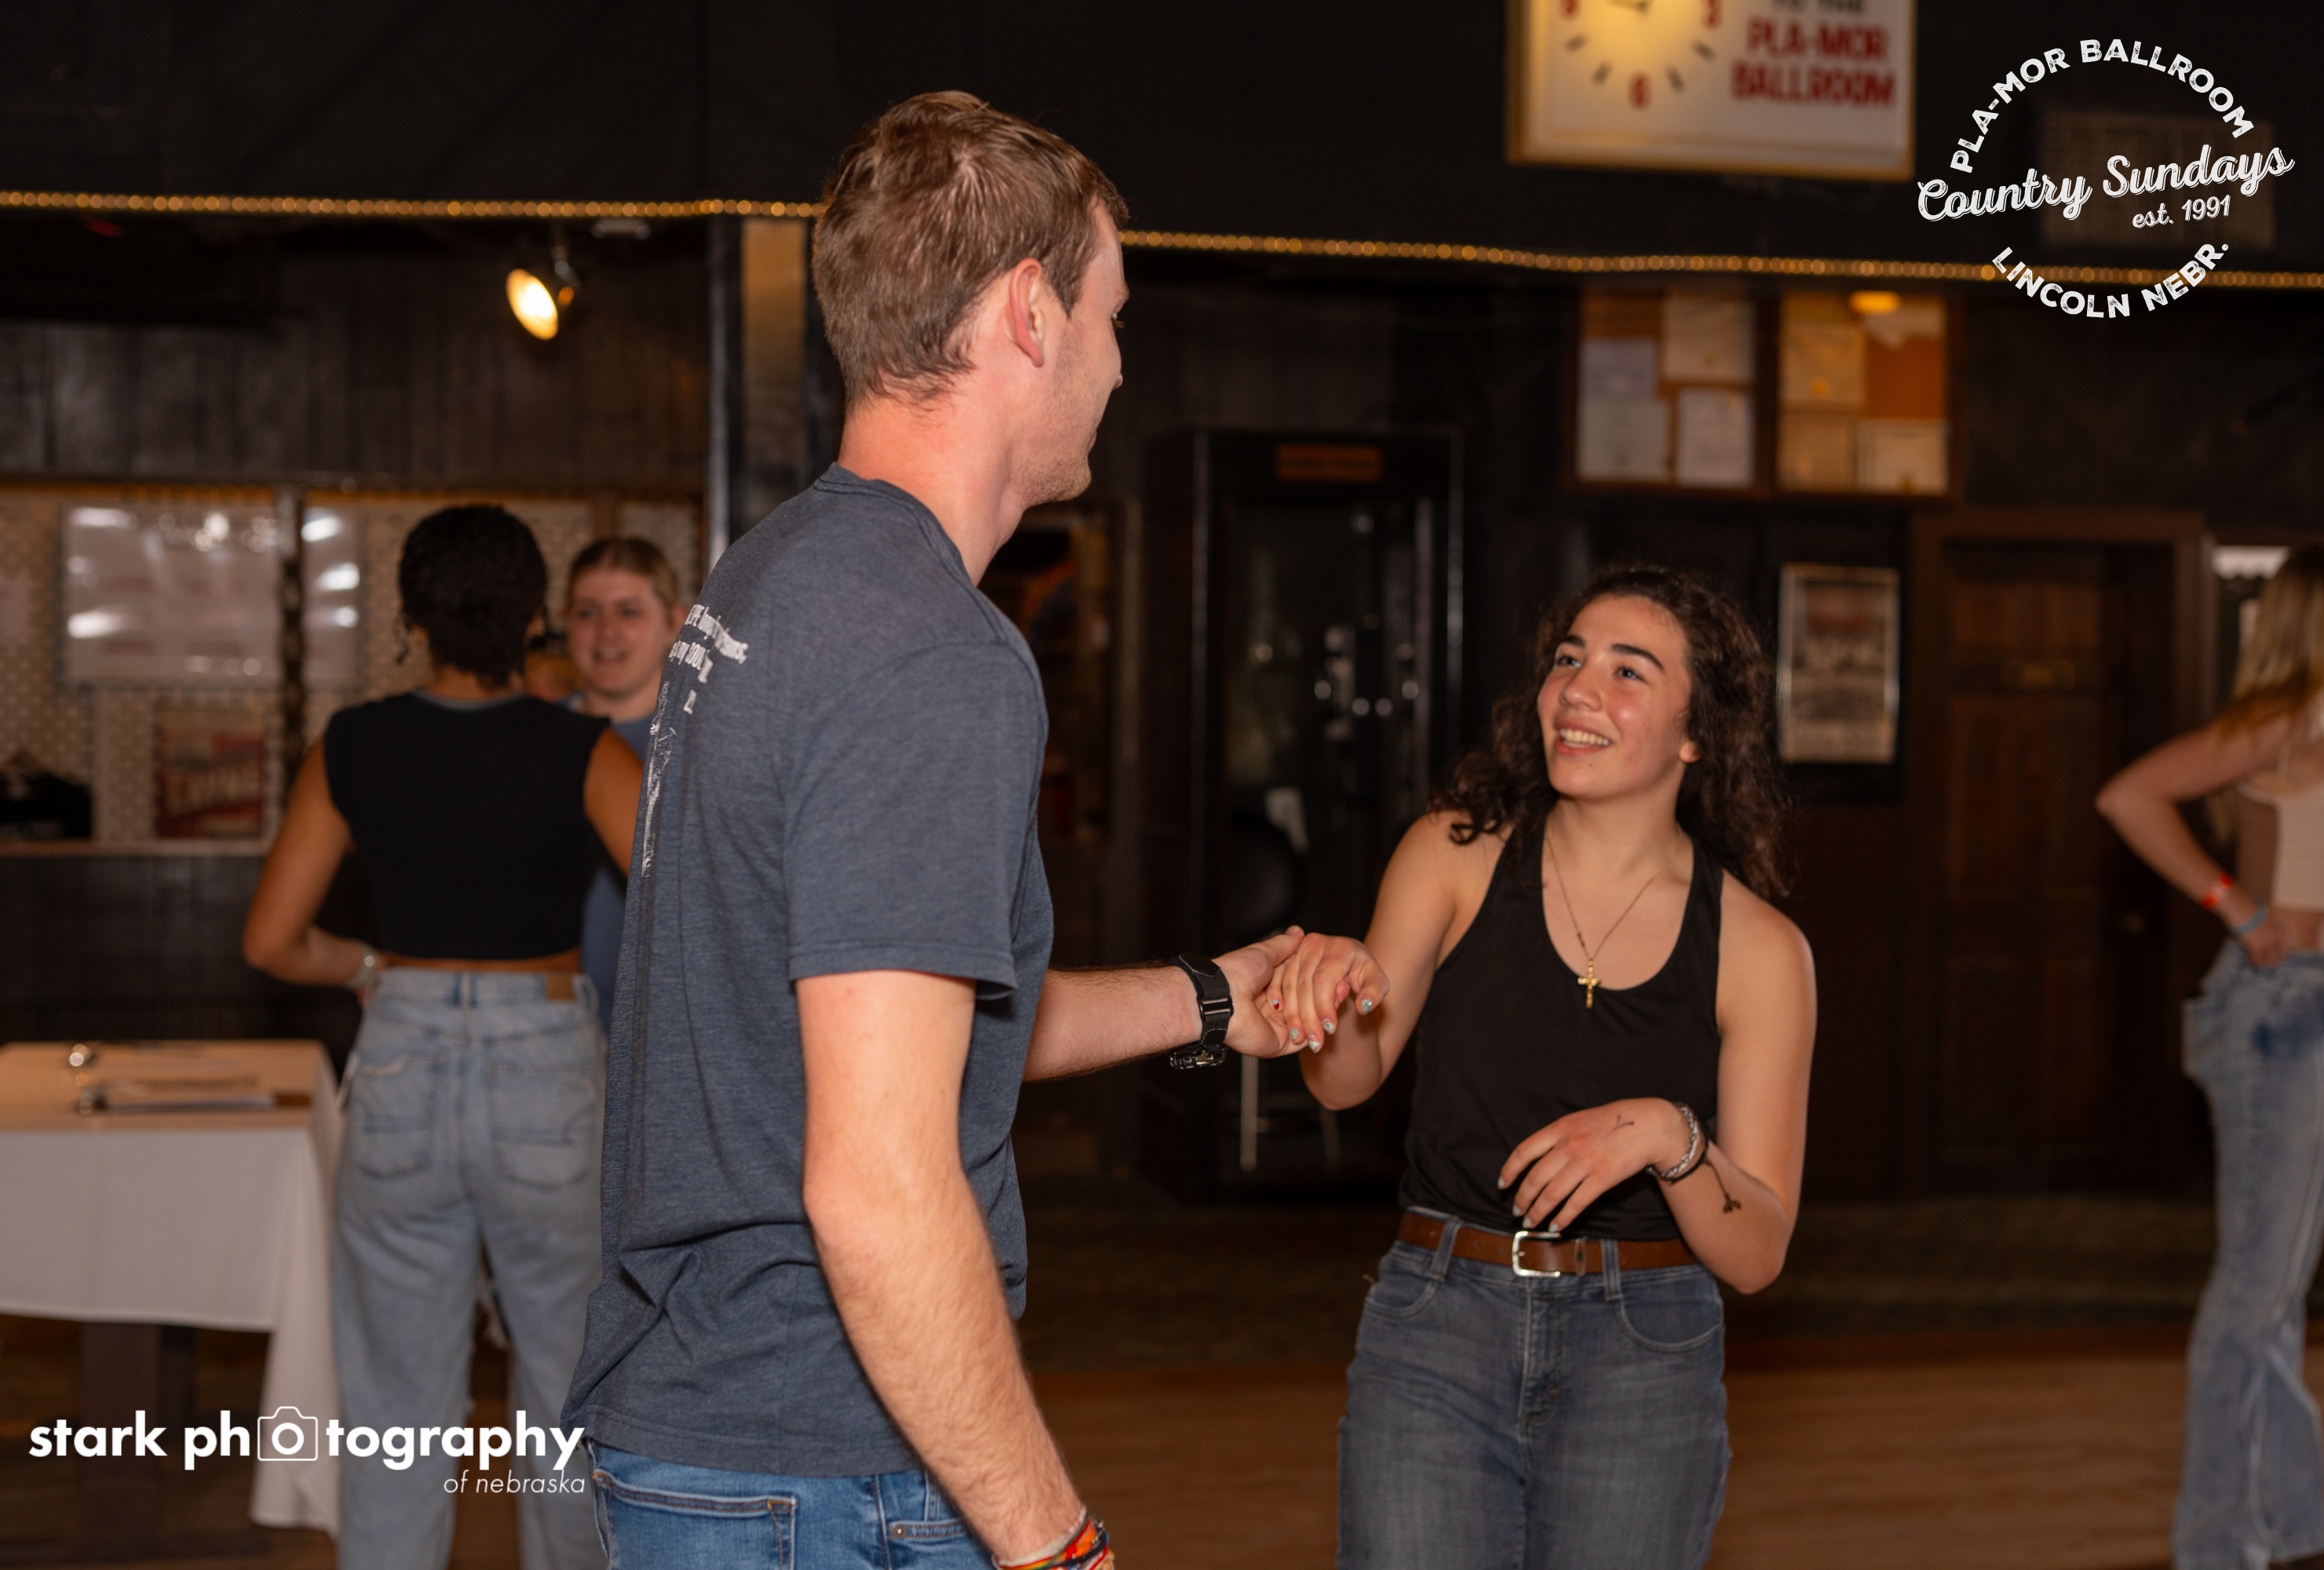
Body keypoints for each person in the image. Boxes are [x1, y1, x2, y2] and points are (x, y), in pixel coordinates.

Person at [561, 92, 1309, 1570]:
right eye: (1111, 315)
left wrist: (1216, 998)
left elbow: (881, 1025)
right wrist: (1053, 1542)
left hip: (714, 1426)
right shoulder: (931, 651)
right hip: (819, 1467)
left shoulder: (778, 572)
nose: (1117, 362)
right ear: (1029, 311)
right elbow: (877, 1180)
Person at [1266, 565, 1817, 1570]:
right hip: (1440, 1320)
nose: (1578, 691)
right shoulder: (1453, 854)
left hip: (1647, 1349)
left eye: (1628, 670)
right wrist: (1328, 1001)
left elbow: (1758, 1251)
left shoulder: (1760, 949)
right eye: (1569, 659)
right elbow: (1347, 1080)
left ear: (1698, 733)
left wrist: (1672, 1136)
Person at [243, 504, 643, 1570]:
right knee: (567, 1394)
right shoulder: (586, 751)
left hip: (403, 1059)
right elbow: (696, 904)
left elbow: (272, 941)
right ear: (535, 619)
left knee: (395, 1406)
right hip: (548, 1069)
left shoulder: (353, 745)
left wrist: (363, 967)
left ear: (411, 620)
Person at [2097, 542, 2324, 1570]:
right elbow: (2130, 795)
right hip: (2282, 1009)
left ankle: (2292, 1523)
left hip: (2305, 1006)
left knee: (2279, 1287)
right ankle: (2219, 1544)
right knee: (2255, 1289)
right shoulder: (2287, 717)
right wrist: (2234, 905)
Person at [561, 537, 688, 1034]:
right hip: (549, 1032)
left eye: (629, 612)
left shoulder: (704, 745)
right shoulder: (531, 738)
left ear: (674, 623)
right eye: (587, 613)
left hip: (660, 1030)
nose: (606, 632)